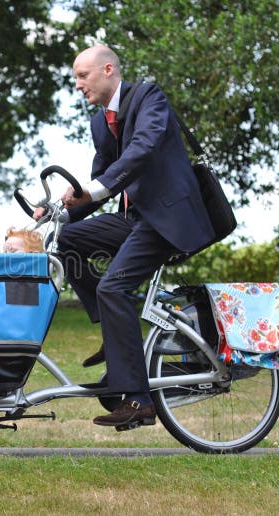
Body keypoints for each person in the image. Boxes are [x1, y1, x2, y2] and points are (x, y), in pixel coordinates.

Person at [36, 45, 215, 430]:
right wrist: (61, 213)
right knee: (67, 240)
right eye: (75, 78)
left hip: (166, 219)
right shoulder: (101, 123)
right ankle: (114, 328)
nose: (78, 85)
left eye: (83, 76)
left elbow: (142, 150)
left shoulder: (149, 97)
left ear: (108, 68)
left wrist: (94, 190)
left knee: (113, 288)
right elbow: (99, 180)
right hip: (136, 219)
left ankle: (138, 401)